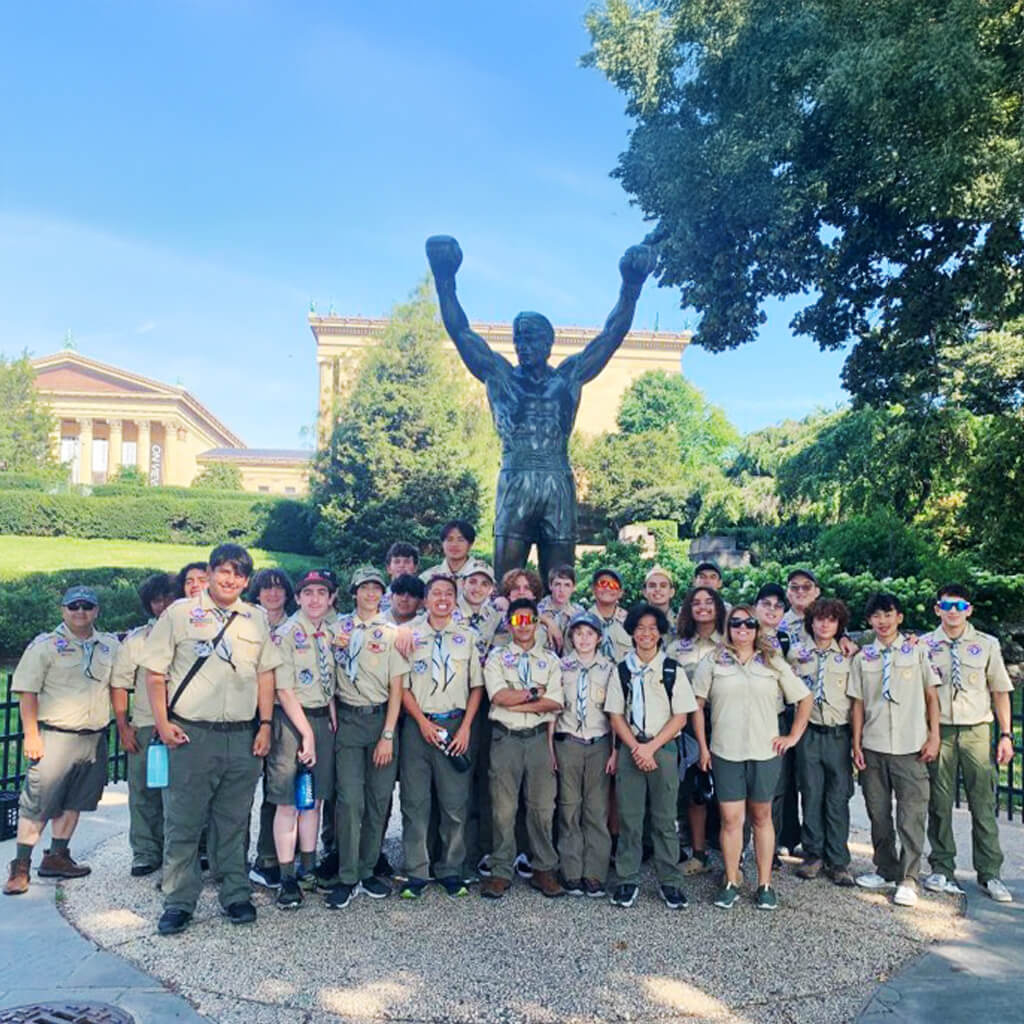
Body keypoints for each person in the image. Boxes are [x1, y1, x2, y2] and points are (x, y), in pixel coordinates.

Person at [427, 233, 655, 583]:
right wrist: (445, 279)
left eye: (530, 337)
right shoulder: (498, 374)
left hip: (556, 481)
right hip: (515, 478)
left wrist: (631, 285)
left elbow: (612, 334)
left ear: (549, 342)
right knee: (506, 584)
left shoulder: (568, 377)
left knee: (560, 582)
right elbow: (460, 331)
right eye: (518, 338)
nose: (522, 345)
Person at [141, 544, 280, 935]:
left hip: (241, 736)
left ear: (246, 581)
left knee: (233, 822)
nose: (230, 579)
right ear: (210, 571)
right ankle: (179, 901)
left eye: (238, 574)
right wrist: (162, 722)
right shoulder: (180, 613)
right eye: (223, 571)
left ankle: (235, 893)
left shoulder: (255, 619)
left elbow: (265, 674)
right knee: (184, 821)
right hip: (192, 735)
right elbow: (155, 673)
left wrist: (265, 724)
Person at [692, 604, 812, 911]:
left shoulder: (772, 661)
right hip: (726, 753)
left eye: (749, 624)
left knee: (762, 817)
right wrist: (703, 748)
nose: (742, 629)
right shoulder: (713, 660)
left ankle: (765, 883)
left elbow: (804, 698)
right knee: (731, 820)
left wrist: (792, 737)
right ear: (728, 627)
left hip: (764, 753)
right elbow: (697, 705)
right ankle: (732, 880)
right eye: (736, 624)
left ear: (757, 629)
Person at [4, 586, 121, 896]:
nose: (80, 611)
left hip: (92, 736)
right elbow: (27, 692)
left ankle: (58, 856)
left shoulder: (108, 646)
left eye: (87, 606)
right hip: (55, 736)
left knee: (76, 800)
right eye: (73, 606)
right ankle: (21, 865)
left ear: (96, 611)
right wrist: (31, 735)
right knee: (38, 803)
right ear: (63, 610)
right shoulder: (45, 646)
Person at [920, 585, 1014, 903]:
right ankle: (942, 868)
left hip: (977, 730)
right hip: (940, 731)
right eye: (947, 605)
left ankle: (989, 873)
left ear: (969, 609)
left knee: (983, 804)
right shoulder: (924, 645)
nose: (953, 611)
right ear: (937, 609)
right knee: (940, 804)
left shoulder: (986, 644)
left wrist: (1006, 735)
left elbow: (1000, 690)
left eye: (959, 605)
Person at [848, 593, 940, 909]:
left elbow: (931, 697)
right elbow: (858, 703)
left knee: (911, 815)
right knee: (878, 812)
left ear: (899, 617)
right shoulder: (863, 658)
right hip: (873, 746)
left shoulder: (917, 652)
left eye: (888, 614)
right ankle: (886, 868)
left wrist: (934, 737)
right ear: (869, 621)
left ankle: (909, 878)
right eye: (876, 616)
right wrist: (856, 743)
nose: (882, 621)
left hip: (910, 746)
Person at [324, 566, 407, 910]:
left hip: (380, 721)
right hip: (347, 720)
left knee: (377, 800)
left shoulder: (392, 634)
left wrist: (388, 734)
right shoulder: (336, 629)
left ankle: (368, 868)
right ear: (354, 592)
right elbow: (325, 673)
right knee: (349, 801)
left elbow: (397, 689)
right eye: (364, 588)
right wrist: (331, 710)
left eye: (376, 589)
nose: (370, 594)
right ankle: (346, 875)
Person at [398, 575, 484, 899]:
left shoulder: (467, 637)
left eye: (449, 593)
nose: (443, 598)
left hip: (455, 725)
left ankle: (451, 869)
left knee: (454, 803)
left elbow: (477, 686)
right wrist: (420, 721)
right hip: (418, 727)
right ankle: (416, 872)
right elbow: (401, 685)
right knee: (414, 802)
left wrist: (465, 728)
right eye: (436, 593)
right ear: (426, 599)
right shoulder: (409, 636)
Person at [605, 603, 696, 909]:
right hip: (632, 748)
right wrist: (636, 748)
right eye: (640, 628)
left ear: (660, 633)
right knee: (630, 818)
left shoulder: (671, 669)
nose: (646, 633)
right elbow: (616, 716)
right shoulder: (621, 669)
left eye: (652, 628)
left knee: (664, 819)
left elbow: (681, 717)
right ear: (632, 632)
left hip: (663, 749)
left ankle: (669, 881)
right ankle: (627, 879)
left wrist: (652, 747)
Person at [481, 597, 564, 899]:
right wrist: (532, 694)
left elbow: (555, 702)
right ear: (509, 624)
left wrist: (517, 702)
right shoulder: (497, 658)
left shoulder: (551, 660)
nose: (524, 625)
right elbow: (498, 696)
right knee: (503, 808)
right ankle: (501, 870)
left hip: (539, 740)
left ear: (537, 622)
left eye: (529, 619)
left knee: (542, 807)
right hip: (506, 739)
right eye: (517, 620)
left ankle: (544, 868)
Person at [268, 570, 336, 910]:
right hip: (293, 724)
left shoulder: (327, 632)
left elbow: (329, 679)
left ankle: (309, 868)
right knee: (288, 802)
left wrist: (330, 713)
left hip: (321, 720)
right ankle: (286, 877)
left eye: (321, 593)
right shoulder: (286, 633)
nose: (314, 599)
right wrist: (307, 733)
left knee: (315, 800)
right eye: (307, 593)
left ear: (331, 599)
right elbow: (283, 687)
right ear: (297, 598)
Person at [110, 572, 178, 877]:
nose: (162, 605)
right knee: (143, 792)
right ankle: (145, 852)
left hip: (185, 723)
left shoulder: (194, 634)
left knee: (185, 793)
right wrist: (123, 726)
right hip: (148, 725)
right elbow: (120, 684)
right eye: (156, 600)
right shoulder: (138, 640)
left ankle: (187, 851)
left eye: (168, 597)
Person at [786, 598, 856, 886]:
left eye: (831, 619)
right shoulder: (796, 653)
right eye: (819, 619)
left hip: (839, 733)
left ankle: (838, 860)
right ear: (811, 622)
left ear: (839, 625)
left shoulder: (850, 655)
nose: (825, 624)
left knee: (838, 797)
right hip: (809, 732)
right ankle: (813, 854)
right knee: (811, 793)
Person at [549, 611, 616, 898]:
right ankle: (571, 871)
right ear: (571, 637)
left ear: (599, 638)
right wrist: (550, 747)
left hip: (599, 743)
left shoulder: (610, 669)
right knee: (569, 807)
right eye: (578, 633)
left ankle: (595, 873)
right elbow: (553, 710)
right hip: (568, 743)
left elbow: (615, 713)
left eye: (590, 633)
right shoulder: (561, 667)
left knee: (596, 809)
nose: (584, 639)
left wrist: (615, 750)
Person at [667, 586, 727, 876]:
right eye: (696, 603)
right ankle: (699, 854)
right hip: (690, 723)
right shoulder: (678, 646)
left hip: (726, 720)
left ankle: (732, 857)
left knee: (730, 790)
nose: (703, 607)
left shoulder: (731, 641)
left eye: (709, 602)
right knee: (695, 789)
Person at [246, 567, 295, 890]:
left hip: (283, 712)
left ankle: (270, 856)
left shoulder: (298, 624)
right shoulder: (247, 623)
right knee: (242, 788)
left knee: (278, 789)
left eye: (279, 588)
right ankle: (235, 859)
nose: (273, 594)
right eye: (266, 588)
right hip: (248, 711)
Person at [754, 582, 801, 855]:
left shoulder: (786, 640)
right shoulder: (741, 632)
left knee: (777, 785)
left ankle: (770, 847)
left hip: (776, 718)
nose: (772, 610)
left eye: (778, 606)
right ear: (756, 606)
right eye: (766, 604)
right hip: (745, 720)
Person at [420, 520, 488, 591]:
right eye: (449, 539)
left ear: (470, 544)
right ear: (442, 543)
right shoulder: (427, 577)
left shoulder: (484, 575)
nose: (454, 544)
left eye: (461, 540)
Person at [586, 568, 632, 663]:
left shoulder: (631, 621)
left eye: (613, 585)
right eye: (602, 583)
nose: (607, 588)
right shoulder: (582, 620)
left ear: (620, 593)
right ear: (593, 589)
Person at [538, 564, 584, 654]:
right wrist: (546, 621)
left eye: (567, 585)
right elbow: (515, 619)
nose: (561, 590)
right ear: (550, 586)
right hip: (543, 661)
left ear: (573, 588)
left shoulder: (579, 612)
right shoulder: (538, 608)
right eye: (557, 584)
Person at [380, 541, 420, 614]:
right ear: (388, 568)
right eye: (397, 562)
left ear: (415, 568)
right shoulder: (378, 598)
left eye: (407, 562)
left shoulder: (423, 597)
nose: (401, 565)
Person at [643, 566, 678, 641]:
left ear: (672, 592)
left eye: (663, 586)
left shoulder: (682, 623)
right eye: (652, 586)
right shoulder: (636, 623)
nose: (657, 589)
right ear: (645, 592)